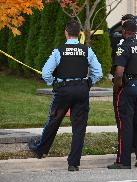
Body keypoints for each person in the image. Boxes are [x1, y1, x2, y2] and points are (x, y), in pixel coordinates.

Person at [28, 19, 103, 171]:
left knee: (54, 121)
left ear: (66, 33)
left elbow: (46, 73)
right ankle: (74, 163)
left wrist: (53, 82)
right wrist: (89, 83)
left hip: (63, 91)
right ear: (79, 34)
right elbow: (98, 73)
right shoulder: (87, 50)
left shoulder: (59, 51)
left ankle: (40, 150)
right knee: (79, 127)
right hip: (81, 91)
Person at [108, 20, 137, 169]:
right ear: (136, 31)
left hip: (127, 89)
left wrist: (117, 87)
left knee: (125, 124)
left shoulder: (123, 47)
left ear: (124, 31)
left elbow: (119, 72)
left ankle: (123, 161)